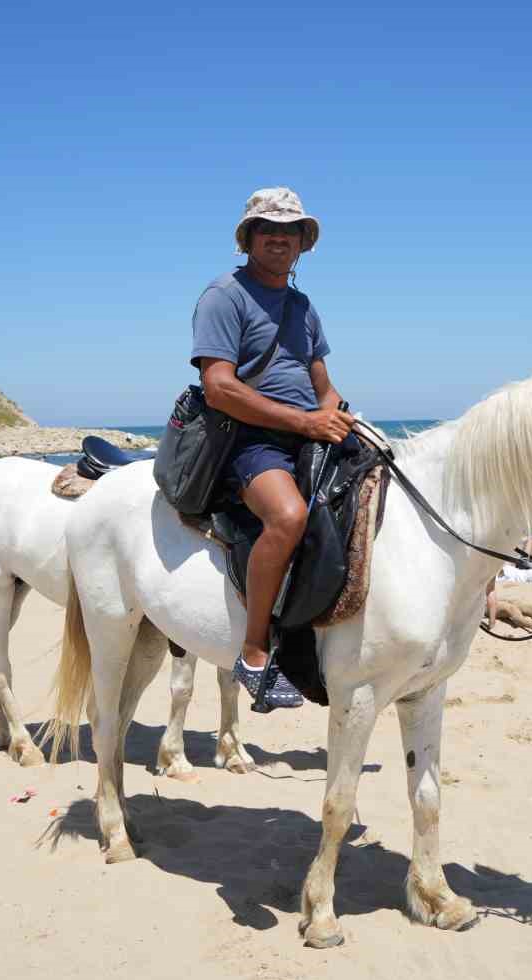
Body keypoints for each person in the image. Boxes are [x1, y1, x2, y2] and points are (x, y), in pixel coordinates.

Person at [191, 187, 349, 710]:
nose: (279, 238)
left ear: (303, 242)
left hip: (305, 432)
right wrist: (305, 422)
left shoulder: (302, 306)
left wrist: (339, 415)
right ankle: (255, 650)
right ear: (249, 238)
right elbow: (220, 388)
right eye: (268, 229)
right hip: (250, 440)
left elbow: (322, 383)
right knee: (287, 517)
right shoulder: (224, 295)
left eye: (290, 230)